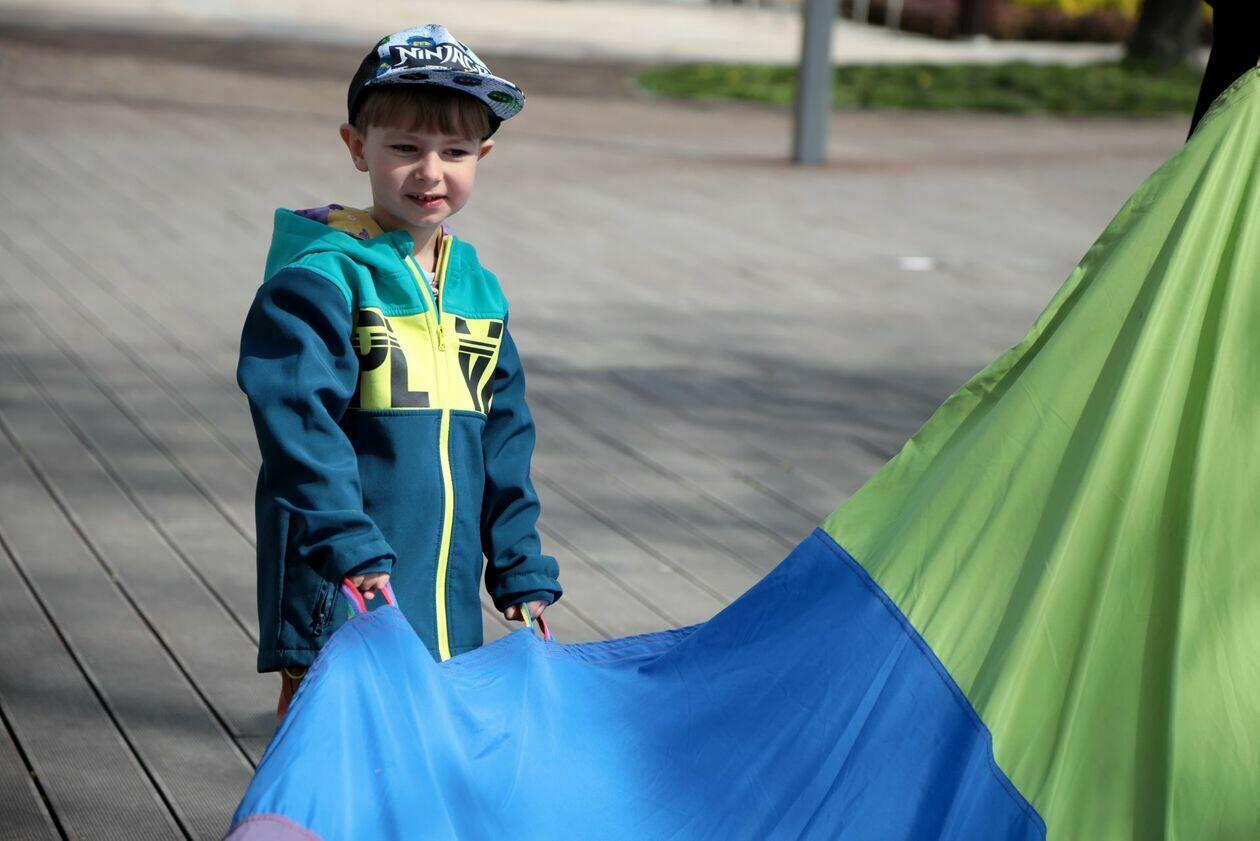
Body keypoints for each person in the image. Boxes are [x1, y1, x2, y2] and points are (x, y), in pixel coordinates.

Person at [235, 24, 563, 724]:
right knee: (335, 763)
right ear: (358, 146)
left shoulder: (478, 290)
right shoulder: (320, 281)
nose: (430, 172)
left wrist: (518, 563)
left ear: (483, 155)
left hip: (444, 606)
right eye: (406, 148)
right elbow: (299, 430)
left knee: (428, 762)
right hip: (343, 589)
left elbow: (505, 440)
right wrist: (347, 543)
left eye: (455, 151)